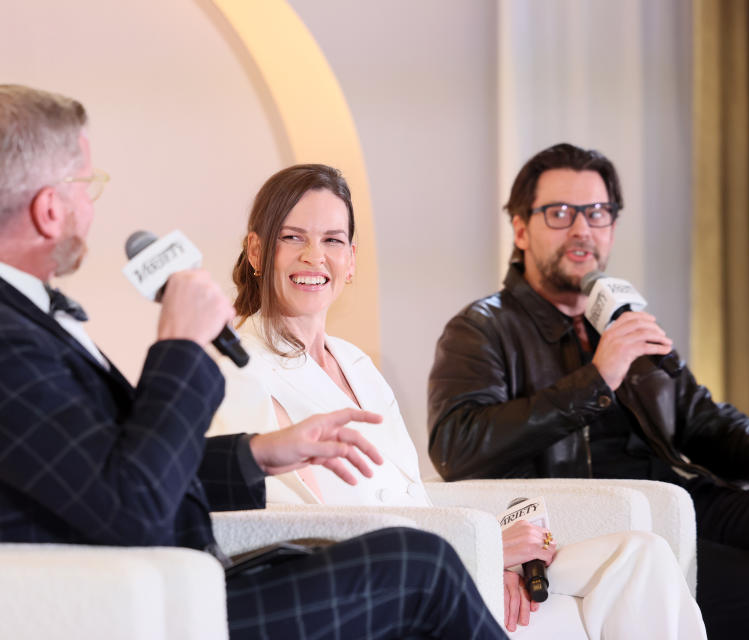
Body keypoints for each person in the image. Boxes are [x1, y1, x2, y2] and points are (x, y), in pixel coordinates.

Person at [0, 84, 511, 640]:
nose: (92, 207)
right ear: (49, 208)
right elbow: (132, 505)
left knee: (416, 562)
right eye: (87, 186)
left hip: (173, 589)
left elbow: (110, 470)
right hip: (141, 613)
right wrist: (181, 347)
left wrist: (262, 453)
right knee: (419, 566)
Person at [207, 163, 707, 638]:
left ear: (352, 260)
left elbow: (412, 497)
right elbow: (293, 531)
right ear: (256, 251)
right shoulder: (239, 369)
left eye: (332, 240)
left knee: (641, 556)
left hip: (449, 558)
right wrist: (480, 550)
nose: (314, 257)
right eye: (292, 237)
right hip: (387, 585)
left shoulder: (356, 363)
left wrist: (496, 558)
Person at [427, 142, 749, 640]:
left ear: (613, 226)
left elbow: (697, 416)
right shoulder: (480, 328)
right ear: (520, 230)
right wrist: (597, 379)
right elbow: (457, 446)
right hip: (598, 519)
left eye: (597, 213)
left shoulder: (620, 314)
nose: (582, 230)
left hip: (681, 499)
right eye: (560, 213)